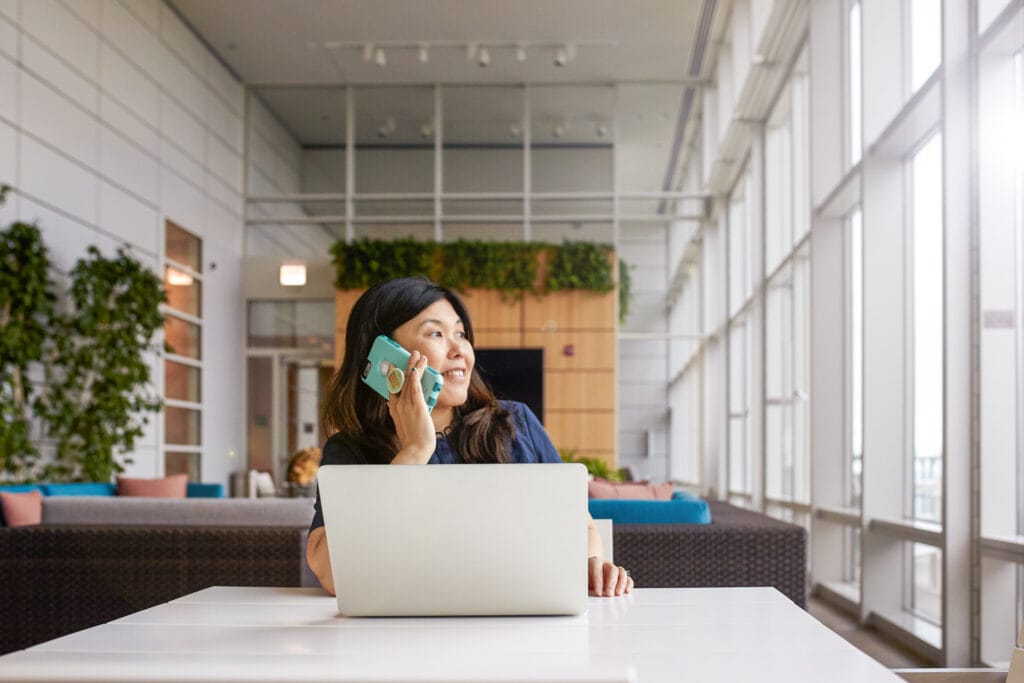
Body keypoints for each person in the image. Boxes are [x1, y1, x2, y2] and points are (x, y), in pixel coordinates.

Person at [306, 276, 633, 598]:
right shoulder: (350, 450)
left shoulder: (514, 423)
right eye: (436, 333)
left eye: (460, 333)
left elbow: (581, 526)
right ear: (384, 357)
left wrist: (591, 563)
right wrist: (414, 451)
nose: (459, 349)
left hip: (516, 626)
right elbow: (334, 574)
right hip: (400, 634)